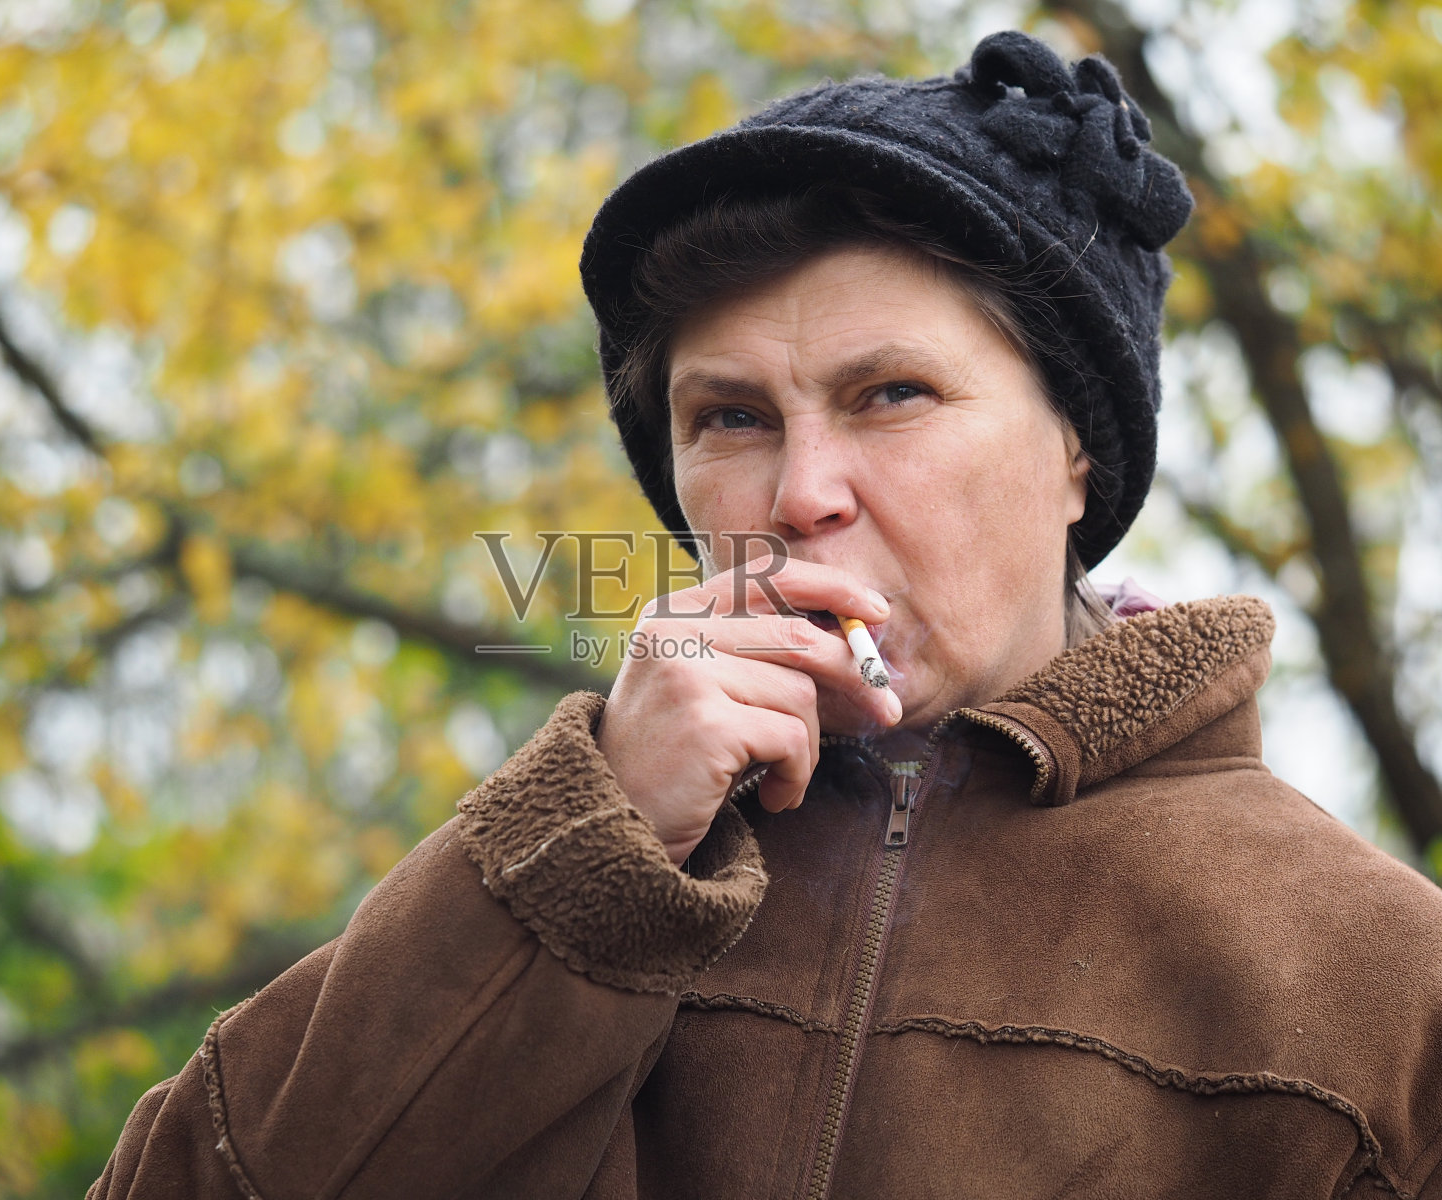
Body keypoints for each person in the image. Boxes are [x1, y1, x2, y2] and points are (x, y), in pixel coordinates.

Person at [88, 31, 1442, 1200]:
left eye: (891, 395)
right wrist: (589, 850)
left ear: (1077, 444)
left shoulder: (1374, 979)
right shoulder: (582, 857)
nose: (799, 495)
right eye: (729, 418)